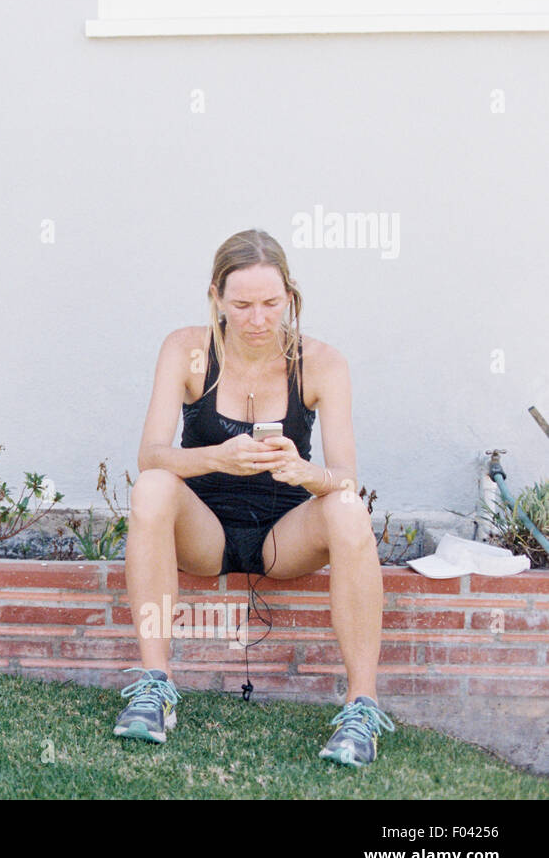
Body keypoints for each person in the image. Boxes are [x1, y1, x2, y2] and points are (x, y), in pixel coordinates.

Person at [113, 229, 395, 767]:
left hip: (281, 540)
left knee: (347, 507)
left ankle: (362, 707)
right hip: (205, 534)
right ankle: (155, 688)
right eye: (241, 304)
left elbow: (345, 477)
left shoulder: (322, 363)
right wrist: (218, 457)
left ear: (290, 296)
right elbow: (151, 455)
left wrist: (301, 471)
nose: (258, 319)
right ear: (216, 297)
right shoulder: (185, 349)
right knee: (151, 487)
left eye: (271, 303)